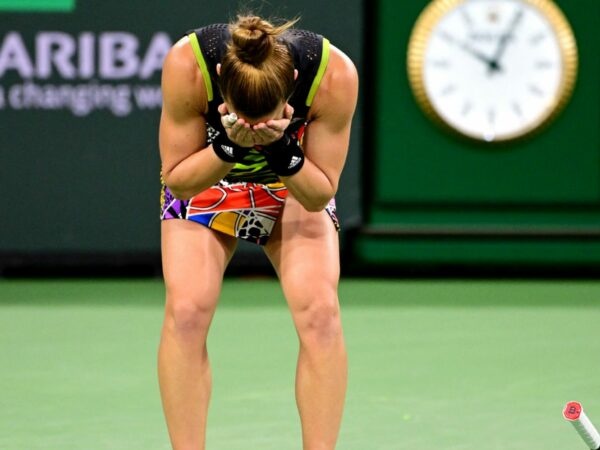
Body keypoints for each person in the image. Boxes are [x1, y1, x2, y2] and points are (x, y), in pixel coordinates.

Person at [158, 13, 358, 450]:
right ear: (218, 79)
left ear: (292, 83)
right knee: (187, 311)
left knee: (320, 313)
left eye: (262, 117)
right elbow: (178, 178)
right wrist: (230, 146)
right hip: (210, 176)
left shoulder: (334, 75)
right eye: (241, 116)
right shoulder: (186, 65)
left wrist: (280, 148)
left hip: (293, 185)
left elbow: (318, 194)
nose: (251, 124)